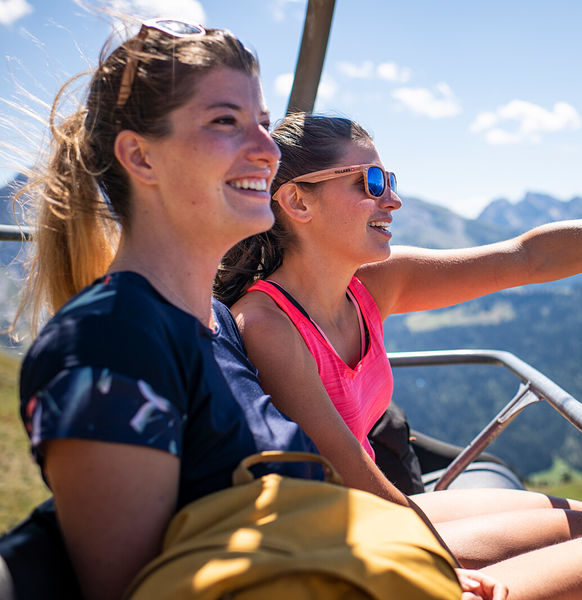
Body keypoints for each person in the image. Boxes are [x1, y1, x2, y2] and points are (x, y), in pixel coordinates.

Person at [5, 21, 502, 600]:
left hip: (342, 564)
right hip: (343, 577)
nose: (268, 151)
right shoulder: (106, 344)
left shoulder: (215, 324)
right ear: (141, 157)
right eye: (226, 122)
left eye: (263, 125)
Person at [215, 113, 582, 594]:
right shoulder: (267, 325)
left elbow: (529, 258)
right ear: (297, 202)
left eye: (390, 180)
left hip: (370, 517)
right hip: (347, 546)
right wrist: (436, 571)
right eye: (370, 183)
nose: (392, 200)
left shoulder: (370, 284)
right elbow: (358, 482)